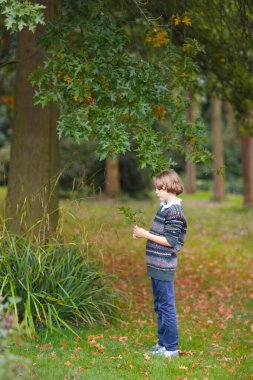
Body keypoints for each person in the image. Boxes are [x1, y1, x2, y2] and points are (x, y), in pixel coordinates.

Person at [133, 169, 187, 358]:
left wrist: (144, 234)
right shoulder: (165, 207)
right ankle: (163, 344)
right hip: (156, 265)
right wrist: (143, 234)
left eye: (159, 188)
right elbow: (160, 234)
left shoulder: (175, 212)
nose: (156, 192)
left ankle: (171, 348)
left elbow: (170, 241)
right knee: (160, 305)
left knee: (167, 306)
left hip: (164, 265)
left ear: (169, 187)